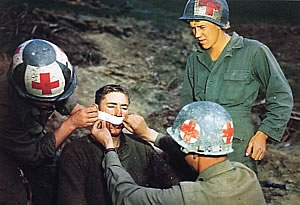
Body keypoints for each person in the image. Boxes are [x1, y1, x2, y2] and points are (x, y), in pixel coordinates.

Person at [179, 0, 293, 172]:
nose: (197, 34)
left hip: (237, 147)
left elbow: (281, 96)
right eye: (193, 28)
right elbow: (187, 105)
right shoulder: (195, 60)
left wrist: (263, 134)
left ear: (220, 24)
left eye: (202, 27)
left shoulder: (253, 52)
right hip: (200, 145)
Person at [93, 101, 266, 205]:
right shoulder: (245, 174)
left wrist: (109, 148)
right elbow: (194, 150)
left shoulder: (192, 196)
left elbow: (125, 196)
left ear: (193, 152)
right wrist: (148, 134)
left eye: (182, 147)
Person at [0, 39, 98, 205]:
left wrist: (89, 116)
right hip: (6, 145)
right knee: (13, 199)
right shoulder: (4, 108)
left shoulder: (29, 82)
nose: (53, 103)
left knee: (56, 176)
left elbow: (60, 98)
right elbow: (34, 154)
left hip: (26, 137)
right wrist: (72, 124)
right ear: (27, 96)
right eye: (47, 102)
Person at [57, 84, 180, 205]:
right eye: (111, 106)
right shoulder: (76, 151)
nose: (118, 113)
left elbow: (174, 188)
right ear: (96, 110)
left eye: (124, 107)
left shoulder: (141, 147)